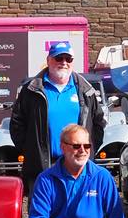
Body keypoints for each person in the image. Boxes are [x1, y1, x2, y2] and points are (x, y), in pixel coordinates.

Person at [9, 40, 107, 197]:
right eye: (58, 58)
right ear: (48, 60)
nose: (64, 63)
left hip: (77, 167)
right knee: (42, 215)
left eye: (68, 59)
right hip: (42, 167)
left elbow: (98, 123)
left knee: (77, 214)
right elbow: (17, 124)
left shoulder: (85, 90)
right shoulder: (31, 90)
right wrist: (31, 150)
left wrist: (89, 150)